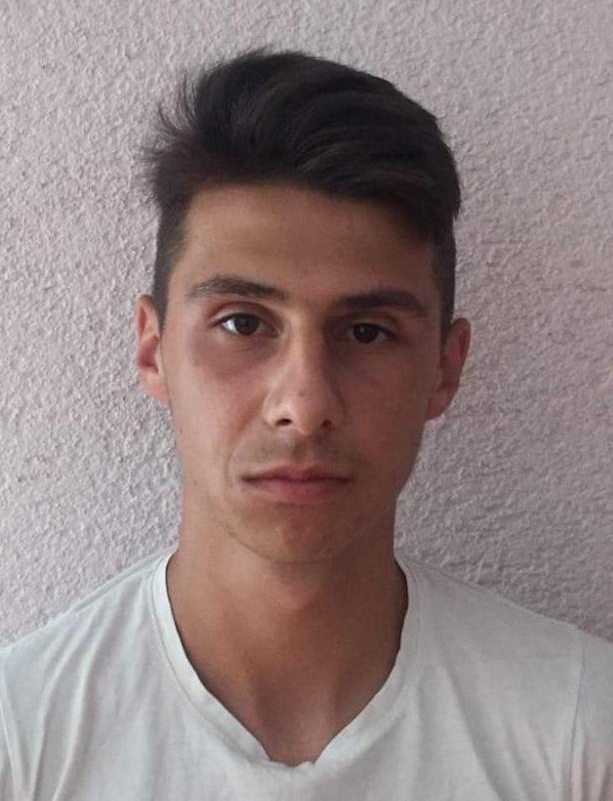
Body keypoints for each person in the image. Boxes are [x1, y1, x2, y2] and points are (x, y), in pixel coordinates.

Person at [1, 47, 612, 800]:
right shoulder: (23, 740)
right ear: (153, 350)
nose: (304, 402)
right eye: (242, 323)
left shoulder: (582, 735)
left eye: (366, 332)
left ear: (444, 368)